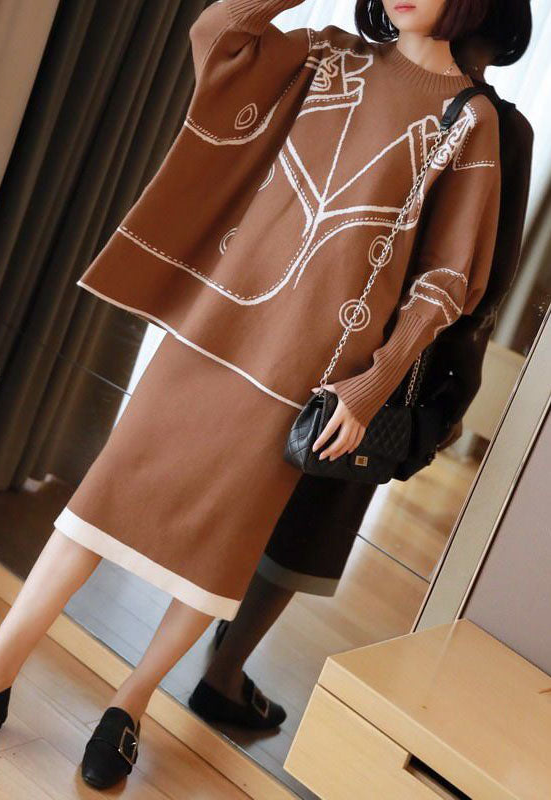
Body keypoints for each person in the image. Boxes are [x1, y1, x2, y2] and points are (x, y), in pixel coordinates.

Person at [0, 0, 505, 790]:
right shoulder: (328, 53)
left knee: (220, 548)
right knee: (102, 498)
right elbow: (217, 37)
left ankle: (130, 703)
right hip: (213, 325)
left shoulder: (469, 119)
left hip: (309, 370)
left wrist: (372, 383)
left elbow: (448, 280)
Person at [187, 0, 534, 731]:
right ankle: (223, 670)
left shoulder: (466, 113)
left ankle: (208, 663)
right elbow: (488, 279)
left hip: (321, 329)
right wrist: (450, 382)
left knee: (278, 490)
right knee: (313, 507)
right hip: (382, 350)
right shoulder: (492, 122)